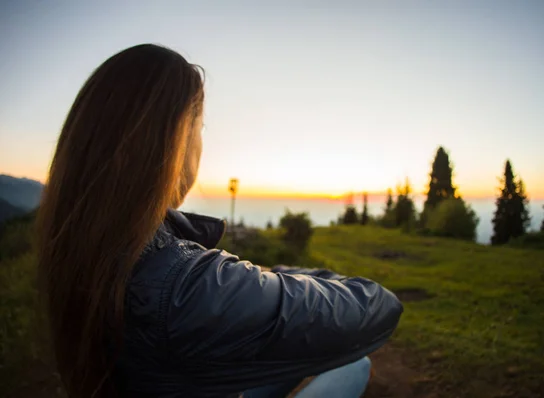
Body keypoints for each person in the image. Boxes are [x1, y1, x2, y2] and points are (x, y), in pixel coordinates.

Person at [36, 44, 403, 398]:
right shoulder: (182, 285)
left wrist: (264, 278)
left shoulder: (82, 245)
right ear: (175, 139)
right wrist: (289, 278)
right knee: (354, 365)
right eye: (200, 128)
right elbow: (376, 305)